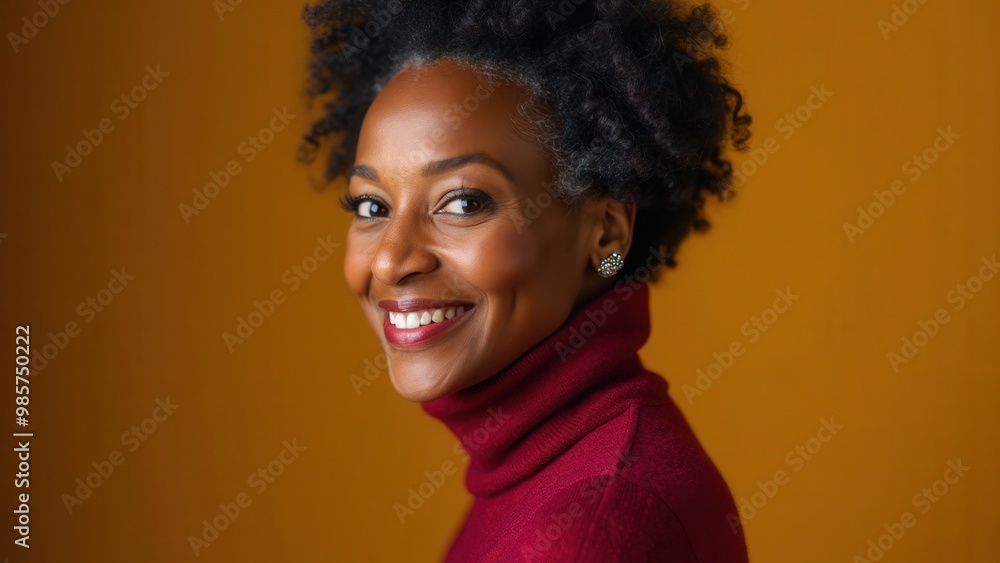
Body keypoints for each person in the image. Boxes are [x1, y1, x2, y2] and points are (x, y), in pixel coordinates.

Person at [299, 0, 752, 560]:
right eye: (371, 206)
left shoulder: (594, 525)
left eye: (463, 202)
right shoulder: (546, 468)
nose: (392, 261)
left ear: (606, 235)